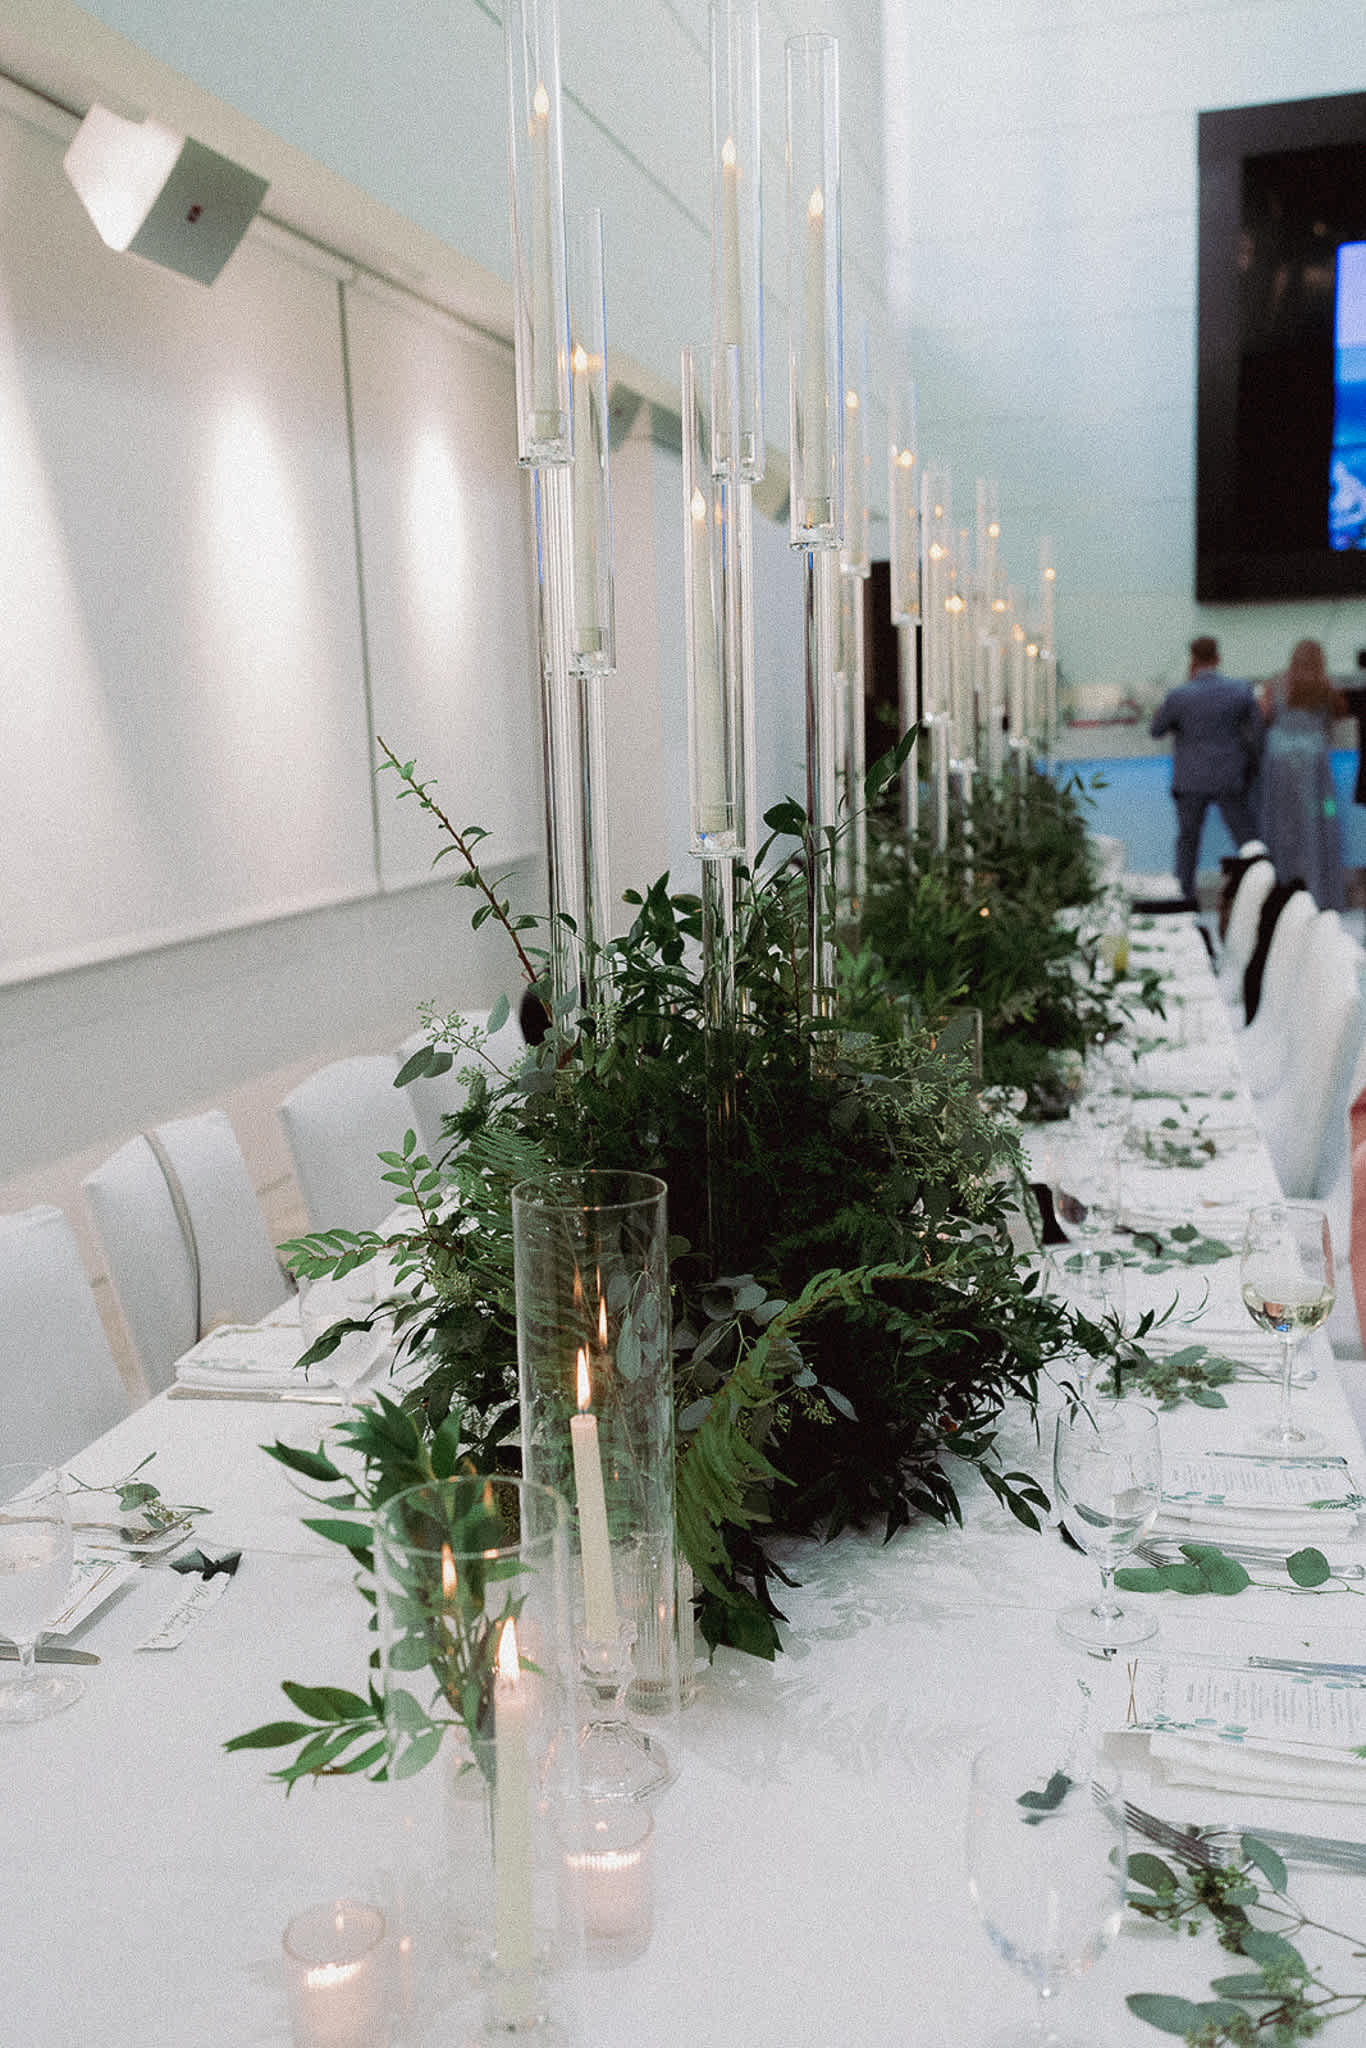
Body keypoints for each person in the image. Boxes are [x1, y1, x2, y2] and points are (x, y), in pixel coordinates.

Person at [1149, 636, 1262, 900]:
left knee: (1188, 843)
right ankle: (1260, 892)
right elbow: (1257, 733)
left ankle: (1185, 897)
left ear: (1192, 660)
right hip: (1230, 775)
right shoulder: (1240, 691)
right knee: (1247, 839)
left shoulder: (1179, 695)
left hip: (1190, 779)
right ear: (1218, 657)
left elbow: (1156, 730)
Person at [1257, 637, 1347, 910]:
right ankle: (1319, 894)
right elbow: (1339, 713)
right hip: (1314, 765)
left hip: (1279, 764)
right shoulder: (1326, 686)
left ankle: (1283, 894)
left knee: (1280, 825)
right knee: (1321, 819)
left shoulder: (1275, 683)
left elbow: (1263, 714)